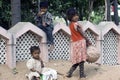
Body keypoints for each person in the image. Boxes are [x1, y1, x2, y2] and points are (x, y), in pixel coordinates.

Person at [66, 8, 91, 80]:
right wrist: (88, 41)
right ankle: (81, 75)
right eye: (74, 16)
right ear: (70, 17)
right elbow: (82, 34)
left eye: (76, 15)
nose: (76, 16)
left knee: (78, 59)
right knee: (82, 59)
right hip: (80, 43)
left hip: (75, 44)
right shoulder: (76, 24)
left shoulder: (70, 25)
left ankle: (69, 73)